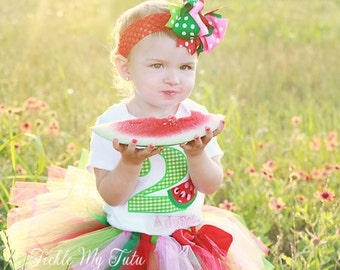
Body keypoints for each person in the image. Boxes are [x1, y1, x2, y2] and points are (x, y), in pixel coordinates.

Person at [2, 0, 274, 269]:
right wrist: (129, 163)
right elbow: (112, 196)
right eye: (157, 66)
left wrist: (198, 154)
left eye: (185, 67)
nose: (173, 78)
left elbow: (211, 185)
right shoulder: (111, 123)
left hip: (187, 238)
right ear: (125, 68)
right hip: (127, 240)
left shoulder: (197, 117)